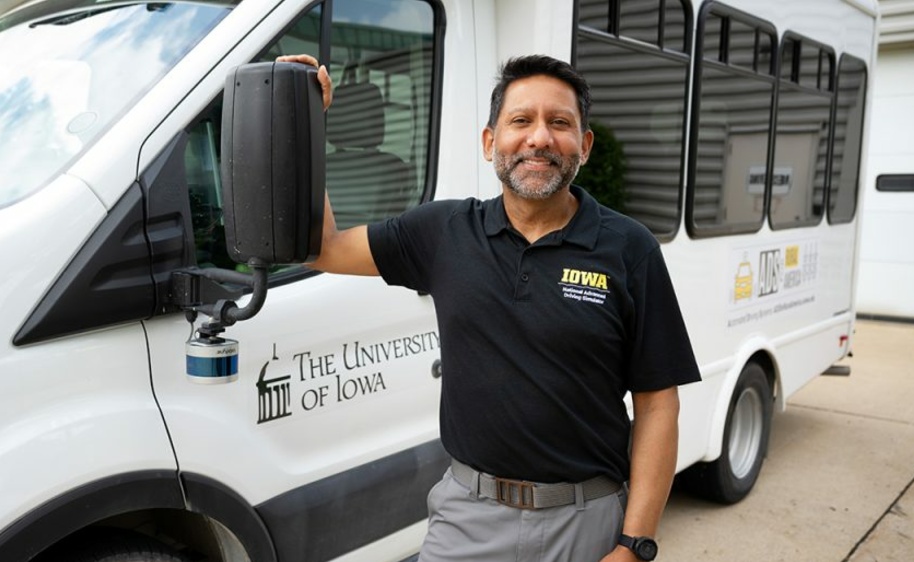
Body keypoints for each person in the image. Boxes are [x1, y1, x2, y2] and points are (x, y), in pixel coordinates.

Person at [277, 53, 702, 562]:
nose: (539, 138)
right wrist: (303, 119)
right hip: (466, 520)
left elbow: (658, 403)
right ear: (489, 142)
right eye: (520, 121)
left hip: (585, 522)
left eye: (560, 123)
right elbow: (326, 248)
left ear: (583, 146)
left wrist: (634, 544)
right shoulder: (442, 232)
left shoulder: (629, 248)